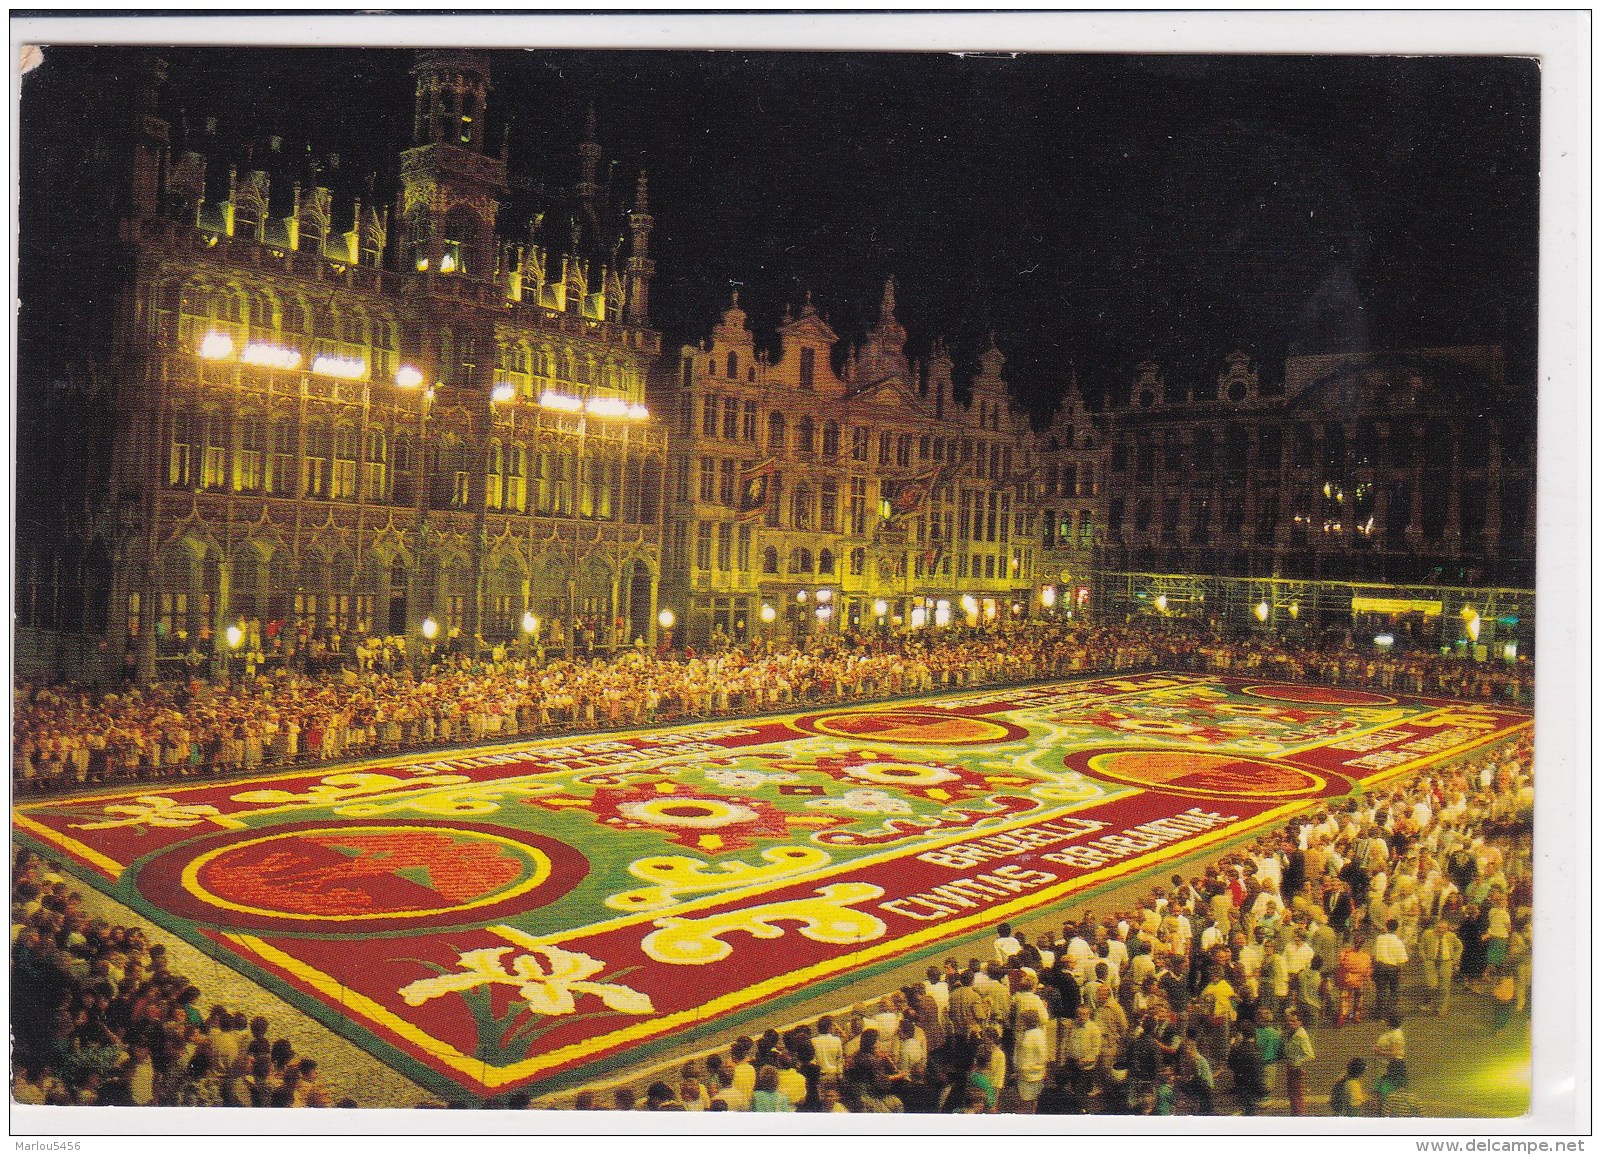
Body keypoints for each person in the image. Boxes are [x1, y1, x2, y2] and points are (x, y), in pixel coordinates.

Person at [1282, 1006, 1316, 1116]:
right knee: (1292, 1094)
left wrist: (1298, 1061)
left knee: (1297, 1094)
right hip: (1290, 1067)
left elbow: (1310, 1055)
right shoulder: (1291, 1033)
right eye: (1289, 1021)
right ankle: (1295, 1113)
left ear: (1300, 1022)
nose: (1290, 1023)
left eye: (1293, 1021)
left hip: (1296, 1069)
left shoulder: (1301, 1035)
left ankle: (1298, 1115)